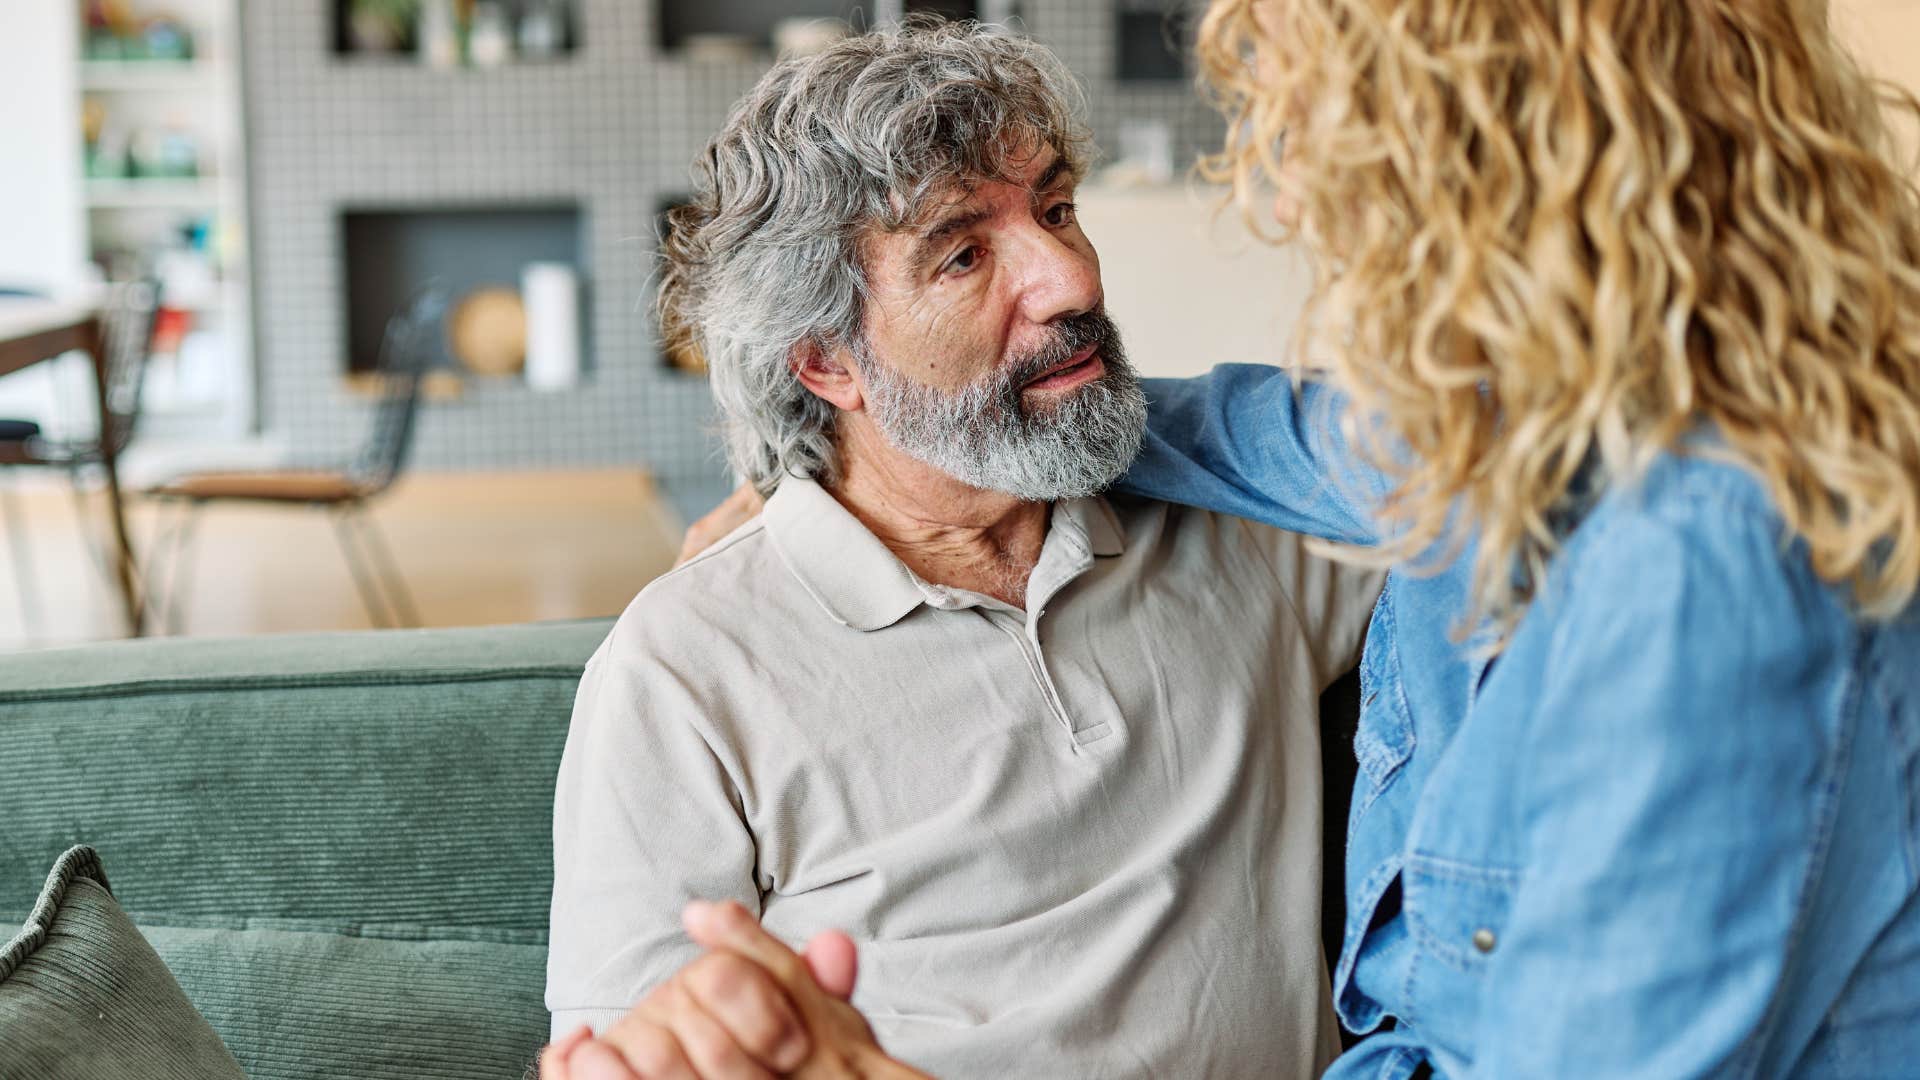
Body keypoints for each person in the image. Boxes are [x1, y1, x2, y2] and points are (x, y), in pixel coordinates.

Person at [621, 0, 1920, 1076]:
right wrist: (852, 466)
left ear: (1509, 176)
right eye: (961, 254)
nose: (1295, 202)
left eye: (1326, 143)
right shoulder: (1484, 439)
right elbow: (1225, 428)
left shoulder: (1707, 557)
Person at [541, 23, 1381, 1080]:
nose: (1071, 279)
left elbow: (1516, 471)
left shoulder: (1244, 532)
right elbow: (622, 1052)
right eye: (964, 253)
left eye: (1059, 209)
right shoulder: (685, 666)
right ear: (827, 361)